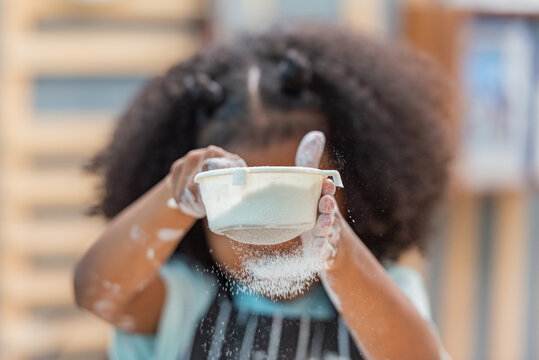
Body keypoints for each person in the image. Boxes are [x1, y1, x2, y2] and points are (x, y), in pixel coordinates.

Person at [74, 23, 451, 360]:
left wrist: (339, 253)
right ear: (205, 212)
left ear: (346, 189)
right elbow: (97, 292)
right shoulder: (188, 298)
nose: (270, 236)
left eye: (292, 197)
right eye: (243, 205)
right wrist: (177, 197)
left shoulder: (379, 293)